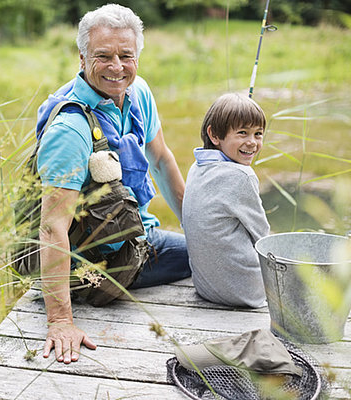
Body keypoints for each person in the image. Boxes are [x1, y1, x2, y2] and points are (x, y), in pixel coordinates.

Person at [36, 3, 191, 365]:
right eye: (103, 56)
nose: (117, 67)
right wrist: (60, 321)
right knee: (218, 262)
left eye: (126, 55)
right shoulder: (70, 128)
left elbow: (162, 159)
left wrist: (195, 228)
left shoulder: (139, 94)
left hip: (136, 236)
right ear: (82, 58)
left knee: (212, 250)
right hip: (97, 263)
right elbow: (51, 226)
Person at [181, 93, 270, 308]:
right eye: (242, 133)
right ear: (214, 134)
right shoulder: (242, 177)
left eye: (258, 134)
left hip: (206, 287)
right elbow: (263, 237)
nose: (252, 142)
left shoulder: (196, 167)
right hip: (247, 292)